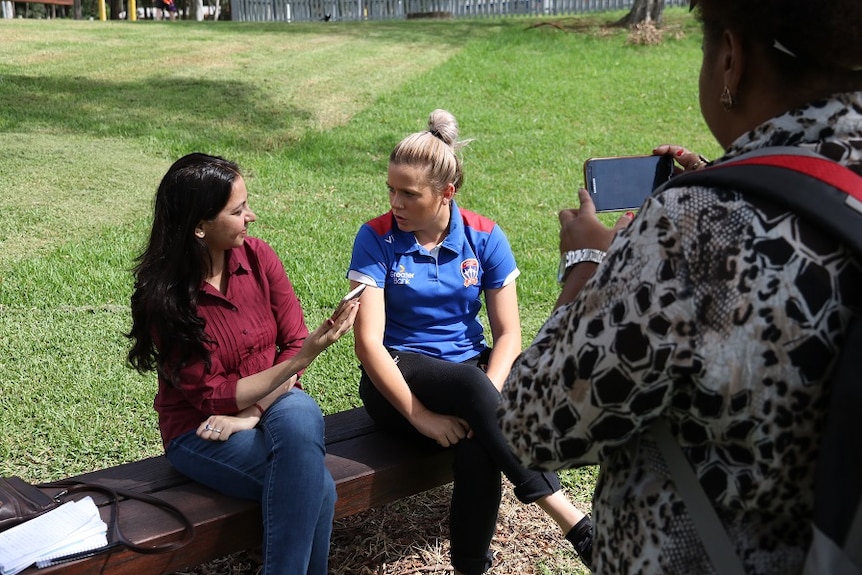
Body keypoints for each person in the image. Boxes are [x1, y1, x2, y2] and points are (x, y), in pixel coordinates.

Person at [498, 1, 862, 573]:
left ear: (731, 60)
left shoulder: (692, 228)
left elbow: (533, 426)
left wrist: (586, 265)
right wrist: (744, 181)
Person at [346, 109, 594, 575]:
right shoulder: (375, 237)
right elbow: (369, 346)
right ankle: (574, 521)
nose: (395, 202)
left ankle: (470, 568)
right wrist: (422, 418)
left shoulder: (485, 235)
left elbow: (509, 335)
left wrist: (490, 397)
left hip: (472, 378)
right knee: (469, 385)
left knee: (480, 437)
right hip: (396, 378)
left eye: (408, 193)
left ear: (446, 193)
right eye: (391, 190)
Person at [126, 153, 359, 575]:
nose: (250, 216)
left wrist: (252, 413)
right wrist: (305, 356)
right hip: (200, 429)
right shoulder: (165, 298)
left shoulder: (258, 258)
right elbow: (211, 395)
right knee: (317, 486)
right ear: (199, 226)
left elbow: (290, 341)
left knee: (303, 412)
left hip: (271, 404)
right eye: (237, 211)